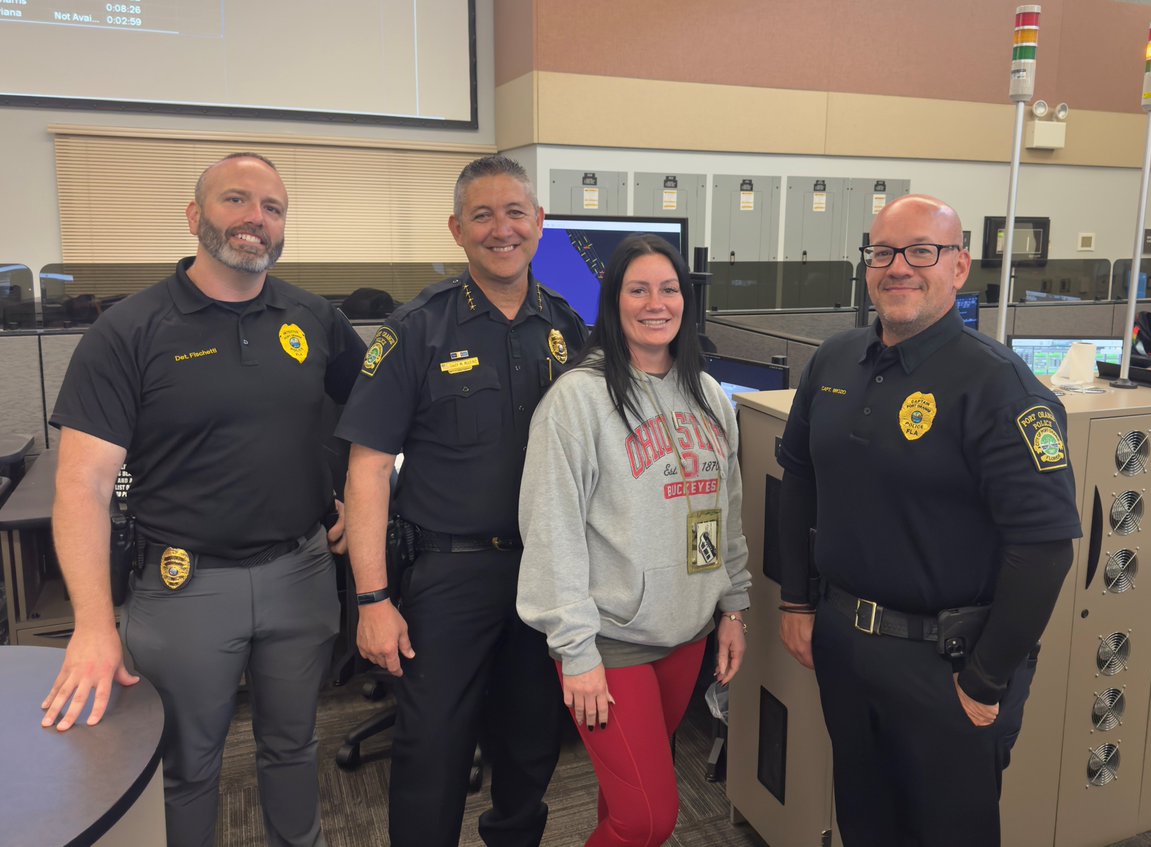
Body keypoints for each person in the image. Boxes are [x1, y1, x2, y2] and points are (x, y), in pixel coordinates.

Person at [40, 152, 365, 847]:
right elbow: (82, 484)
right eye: (236, 200)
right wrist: (93, 624)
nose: (255, 219)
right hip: (184, 586)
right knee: (185, 767)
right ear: (195, 217)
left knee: (293, 746)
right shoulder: (130, 329)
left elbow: (361, 419)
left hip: (301, 573)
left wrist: (347, 498)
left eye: (272, 208)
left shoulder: (314, 317)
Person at [777, 194, 1082, 847]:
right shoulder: (834, 361)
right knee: (865, 823)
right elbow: (798, 475)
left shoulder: (999, 386)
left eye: (922, 251)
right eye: (883, 252)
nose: (899, 267)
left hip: (946, 663)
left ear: (959, 266)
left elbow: (1047, 543)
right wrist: (797, 599)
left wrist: (986, 677)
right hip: (845, 645)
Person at [337, 154, 589, 847]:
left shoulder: (569, 329)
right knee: (433, 754)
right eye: (482, 215)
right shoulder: (418, 328)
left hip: (543, 572)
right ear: (456, 228)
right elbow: (367, 468)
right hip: (446, 575)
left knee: (531, 745)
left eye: (515, 213)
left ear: (540, 224)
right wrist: (372, 599)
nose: (501, 228)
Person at [516, 234, 751, 847]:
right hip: (610, 640)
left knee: (623, 802)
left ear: (686, 300)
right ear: (613, 302)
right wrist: (576, 651)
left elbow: (727, 510)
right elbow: (551, 530)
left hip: (686, 632)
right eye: (638, 289)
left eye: (669, 289)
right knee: (650, 817)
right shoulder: (578, 399)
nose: (656, 303)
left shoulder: (709, 395)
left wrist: (733, 606)